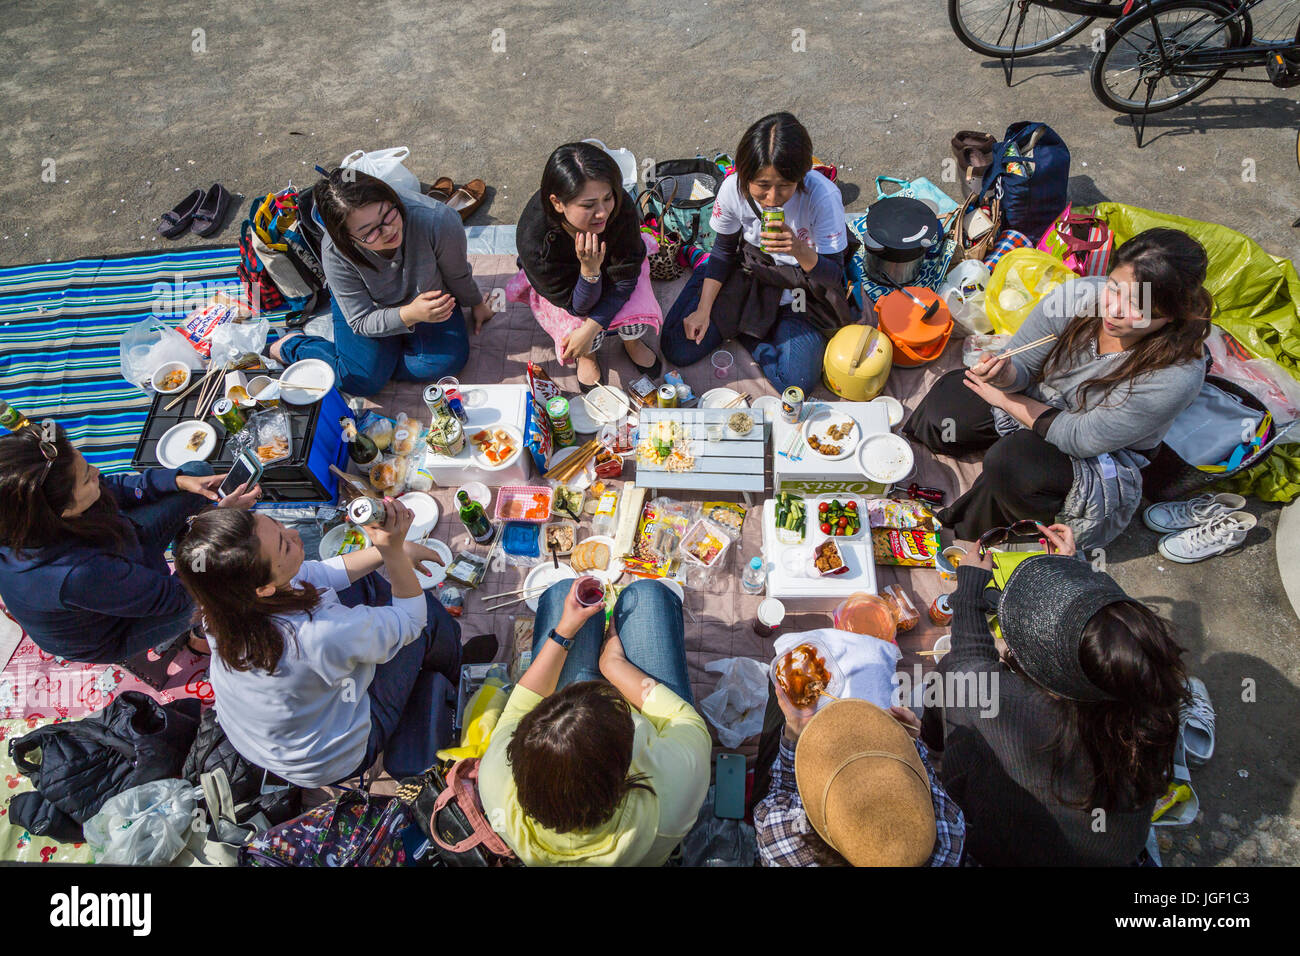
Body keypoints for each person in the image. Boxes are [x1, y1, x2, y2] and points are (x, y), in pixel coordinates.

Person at [904, 228, 1212, 550]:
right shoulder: (1077, 298)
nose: (1114, 309)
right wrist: (1005, 374)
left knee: (1013, 462)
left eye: (1136, 306)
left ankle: (975, 529)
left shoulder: (1176, 374)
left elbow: (1081, 438)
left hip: (1095, 452)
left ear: (1170, 315)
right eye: (1114, 288)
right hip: (1042, 398)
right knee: (951, 398)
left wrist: (1004, 400)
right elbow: (1023, 365)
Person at [920, 523, 1190, 866]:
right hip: (1109, 856)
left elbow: (967, 664)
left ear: (1053, 679)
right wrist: (1072, 575)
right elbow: (1110, 637)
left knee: (948, 682)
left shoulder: (1017, 711)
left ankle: (928, 747)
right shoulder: (1149, 694)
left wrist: (970, 592)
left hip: (998, 852)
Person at [175, 500, 491, 788]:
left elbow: (321, 574)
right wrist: (394, 554)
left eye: (279, 525)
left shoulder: (221, 606)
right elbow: (411, 622)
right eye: (284, 545)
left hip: (274, 737)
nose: (295, 533)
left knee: (366, 581)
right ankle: (460, 677)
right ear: (263, 589)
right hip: (334, 751)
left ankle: (434, 661)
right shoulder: (314, 634)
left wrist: (388, 551)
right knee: (428, 619)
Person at [477, 578, 711, 866]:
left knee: (566, 592)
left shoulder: (495, 779)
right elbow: (685, 719)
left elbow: (520, 705)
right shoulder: (673, 788)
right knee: (648, 594)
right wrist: (613, 666)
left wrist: (564, 631)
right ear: (624, 769)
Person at [0, 423, 259, 665]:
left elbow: (113, 486)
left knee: (196, 474)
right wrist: (212, 529)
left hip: (119, 552)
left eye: (88, 465)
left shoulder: (30, 512)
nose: (97, 472)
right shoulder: (75, 574)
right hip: (115, 629)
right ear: (62, 510)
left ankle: (190, 546)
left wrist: (178, 481)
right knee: (207, 594)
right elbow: (179, 596)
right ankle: (201, 635)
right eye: (87, 478)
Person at [659, 112, 856, 395]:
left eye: (785, 186)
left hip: (801, 290)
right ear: (746, 174)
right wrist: (703, 311)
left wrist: (798, 249)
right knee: (678, 346)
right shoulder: (732, 189)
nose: (772, 199)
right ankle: (748, 323)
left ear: (800, 178)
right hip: (752, 273)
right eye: (762, 186)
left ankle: (752, 335)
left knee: (794, 384)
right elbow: (724, 252)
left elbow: (834, 276)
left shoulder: (822, 196)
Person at [270, 168, 494, 397]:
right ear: (347, 238)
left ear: (392, 198)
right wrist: (408, 315)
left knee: (448, 363)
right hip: (372, 308)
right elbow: (360, 320)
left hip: (424, 301)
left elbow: (457, 273)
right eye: (369, 233)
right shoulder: (334, 252)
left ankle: (369, 364)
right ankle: (294, 346)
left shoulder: (438, 220)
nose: (388, 231)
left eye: (387, 214)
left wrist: (476, 303)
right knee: (359, 382)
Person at [514, 142, 662, 391]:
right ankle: (588, 355)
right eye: (588, 205)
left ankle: (631, 342)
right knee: (578, 324)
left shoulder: (621, 207)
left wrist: (593, 327)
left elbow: (626, 277)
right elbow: (576, 305)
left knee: (632, 307)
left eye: (607, 198)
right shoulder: (535, 241)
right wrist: (590, 272)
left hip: (615, 275)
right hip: (570, 294)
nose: (602, 213)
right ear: (558, 203)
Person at [754, 694, 965, 867]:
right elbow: (926, 777)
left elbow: (779, 795)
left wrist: (793, 733)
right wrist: (911, 742)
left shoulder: (783, 838)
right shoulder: (949, 836)